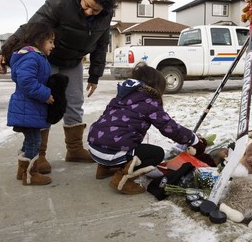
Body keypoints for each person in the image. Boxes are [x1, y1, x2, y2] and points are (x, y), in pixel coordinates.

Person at [0, 0, 117, 173]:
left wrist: (95, 75)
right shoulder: (61, 0)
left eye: (95, 10)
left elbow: (101, 44)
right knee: (44, 102)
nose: (89, 12)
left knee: (74, 102)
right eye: (86, 5)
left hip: (73, 61)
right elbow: (32, 25)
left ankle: (75, 149)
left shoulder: (105, 15)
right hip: (47, 60)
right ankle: (39, 154)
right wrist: (7, 49)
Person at [87, 63, 207, 195]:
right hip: (112, 150)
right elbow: (169, 128)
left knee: (116, 137)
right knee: (156, 153)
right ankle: (123, 179)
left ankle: (103, 169)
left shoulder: (120, 97)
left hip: (94, 147)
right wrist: (193, 139)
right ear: (156, 87)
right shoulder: (149, 103)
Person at [7, 22, 55, 185]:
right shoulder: (31, 57)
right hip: (28, 108)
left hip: (29, 108)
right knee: (35, 141)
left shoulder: (34, 56)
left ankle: (23, 171)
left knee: (31, 140)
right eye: (50, 42)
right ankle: (30, 174)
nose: (53, 46)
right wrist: (45, 94)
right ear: (39, 40)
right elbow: (26, 81)